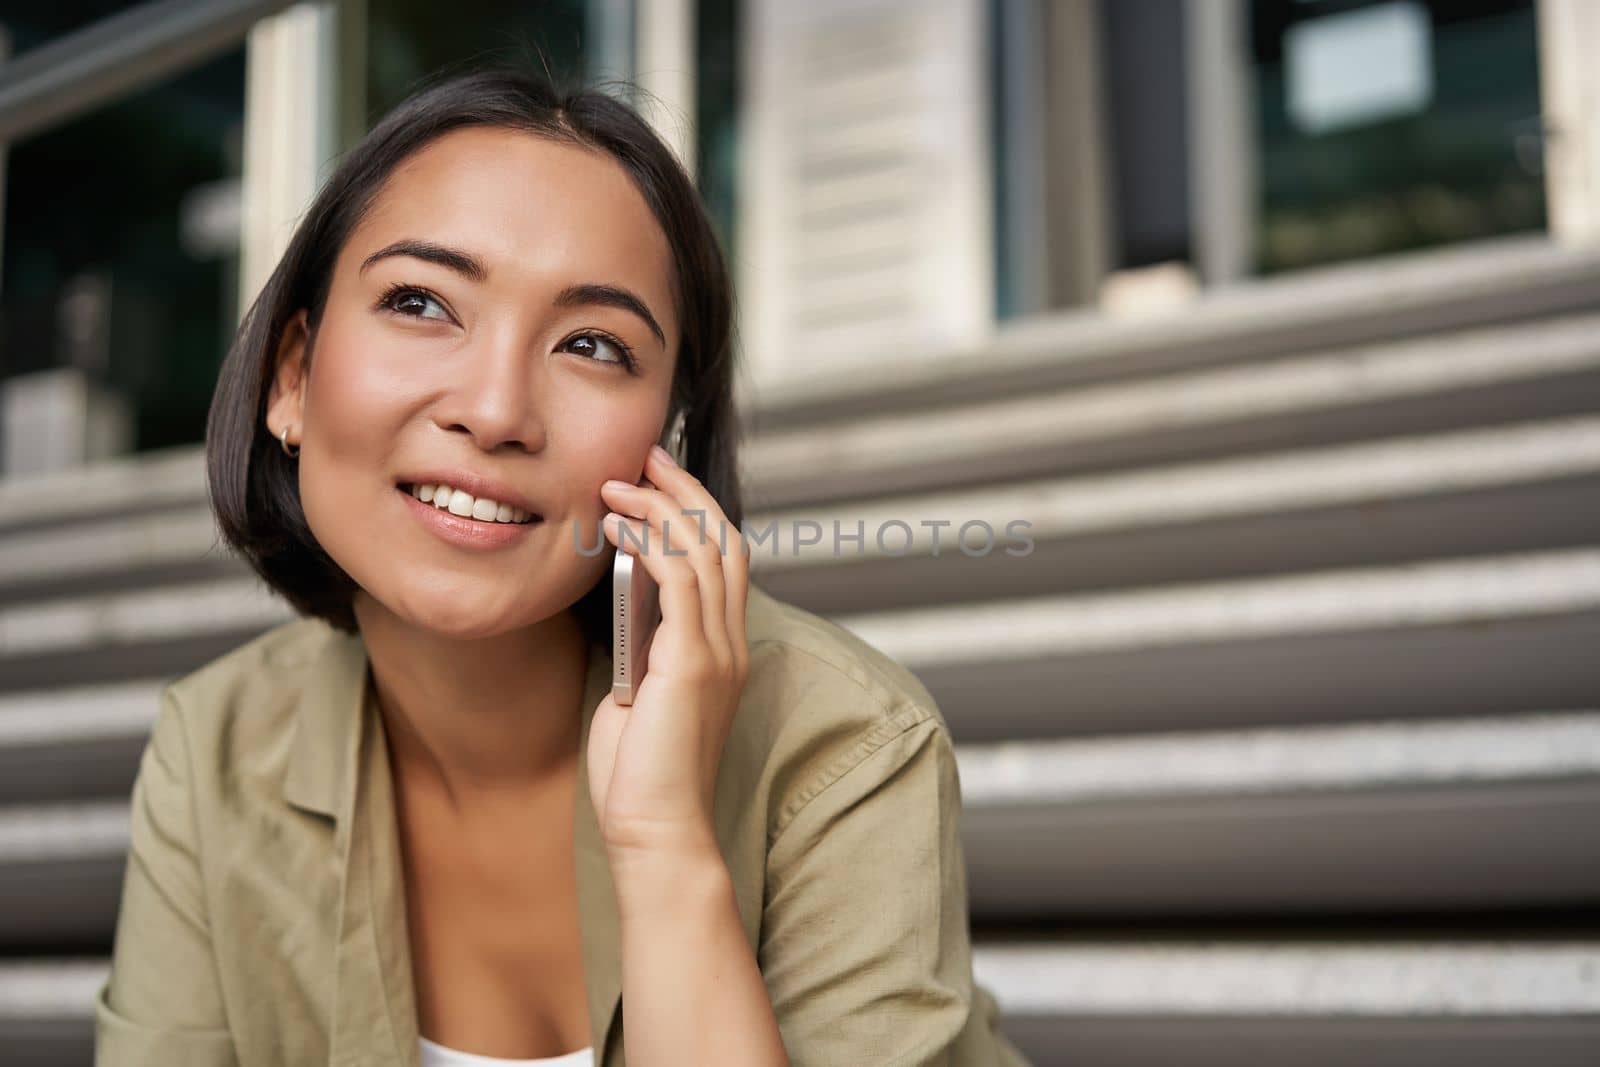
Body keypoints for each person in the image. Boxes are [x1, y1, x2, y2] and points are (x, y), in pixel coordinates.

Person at [93, 63, 1032, 1067]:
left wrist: (665, 843)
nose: (495, 409)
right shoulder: (218, 749)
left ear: (664, 442)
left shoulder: (842, 746)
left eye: (591, 343)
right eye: (421, 301)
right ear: (292, 375)